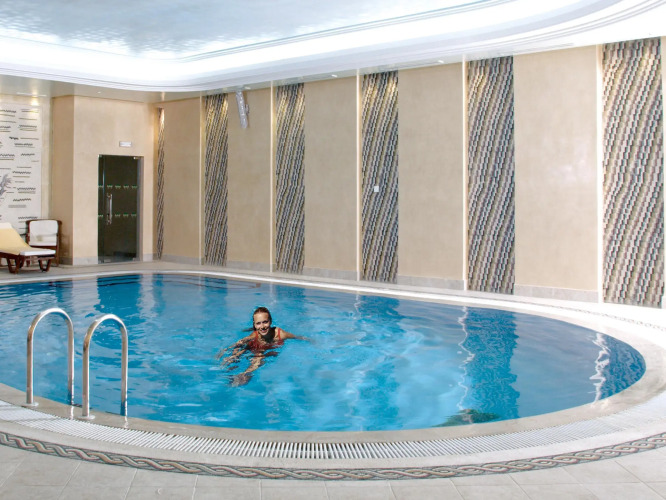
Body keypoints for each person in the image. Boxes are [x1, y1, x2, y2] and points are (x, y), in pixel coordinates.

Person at [216, 306, 307, 386]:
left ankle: (245, 374)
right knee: (237, 355)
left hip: (265, 350)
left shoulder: (280, 334)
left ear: (270, 321)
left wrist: (309, 340)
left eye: (265, 322)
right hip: (255, 345)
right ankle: (226, 372)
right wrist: (226, 350)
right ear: (255, 325)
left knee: (259, 356)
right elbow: (241, 342)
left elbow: (296, 337)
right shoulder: (255, 335)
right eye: (258, 323)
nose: (262, 326)